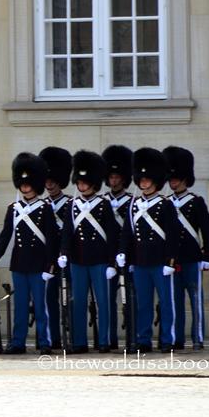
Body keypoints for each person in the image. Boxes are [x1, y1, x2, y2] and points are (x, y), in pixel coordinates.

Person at [0, 153, 57, 355]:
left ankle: (44, 341)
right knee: (20, 307)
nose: (25, 186)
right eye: (23, 183)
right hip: (19, 264)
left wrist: (50, 265)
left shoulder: (45, 208)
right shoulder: (14, 209)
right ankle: (18, 341)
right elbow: (6, 235)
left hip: (39, 265)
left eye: (29, 183)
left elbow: (52, 239)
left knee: (41, 307)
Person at [118, 148, 179, 353]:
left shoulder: (165, 204)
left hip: (160, 262)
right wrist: (123, 253)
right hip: (141, 262)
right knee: (143, 304)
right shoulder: (134, 205)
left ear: (155, 180)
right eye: (141, 179)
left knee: (166, 303)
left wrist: (170, 262)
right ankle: (143, 339)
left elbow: (172, 235)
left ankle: (166, 339)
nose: (144, 182)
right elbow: (127, 232)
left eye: (147, 179)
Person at [58, 150, 118, 354]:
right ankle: (79, 341)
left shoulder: (103, 205)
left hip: (99, 260)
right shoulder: (72, 205)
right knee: (78, 303)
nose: (81, 185)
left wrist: (112, 262)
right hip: (78, 260)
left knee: (103, 302)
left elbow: (111, 234)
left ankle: (104, 340)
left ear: (93, 183)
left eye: (85, 182)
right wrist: (64, 252)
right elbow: (67, 232)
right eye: (79, 182)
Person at [164, 145, 209, 351]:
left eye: (176, 178)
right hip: (172, 260)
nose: (173, 182)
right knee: (174, 303)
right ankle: (177, 339)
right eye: (171, 178)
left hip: (192, 257)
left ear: (185, 179)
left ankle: (198, 337)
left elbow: (207, 229)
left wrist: (208, 255)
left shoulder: (195, 202)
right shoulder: (165, 203)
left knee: (195, 300)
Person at [40, 146, 72, 350]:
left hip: (68, 257)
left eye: (53, 180)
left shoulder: (70, 203)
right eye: (47, 180)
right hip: (48, 259)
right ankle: (54, 337)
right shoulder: (42, 205)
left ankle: (73, 337)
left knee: (69, 300)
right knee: (49, 301)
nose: (50, 184)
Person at [102, 144, 134, 350]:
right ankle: (110, 338)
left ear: (123, 179)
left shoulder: (132, 201)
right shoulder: (102, 201)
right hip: (107, 256)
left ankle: (133, 338)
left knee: (131, 299)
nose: (114, 181)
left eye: (117, 177)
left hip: (129, 255)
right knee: (107, 301)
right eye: (111, 177)